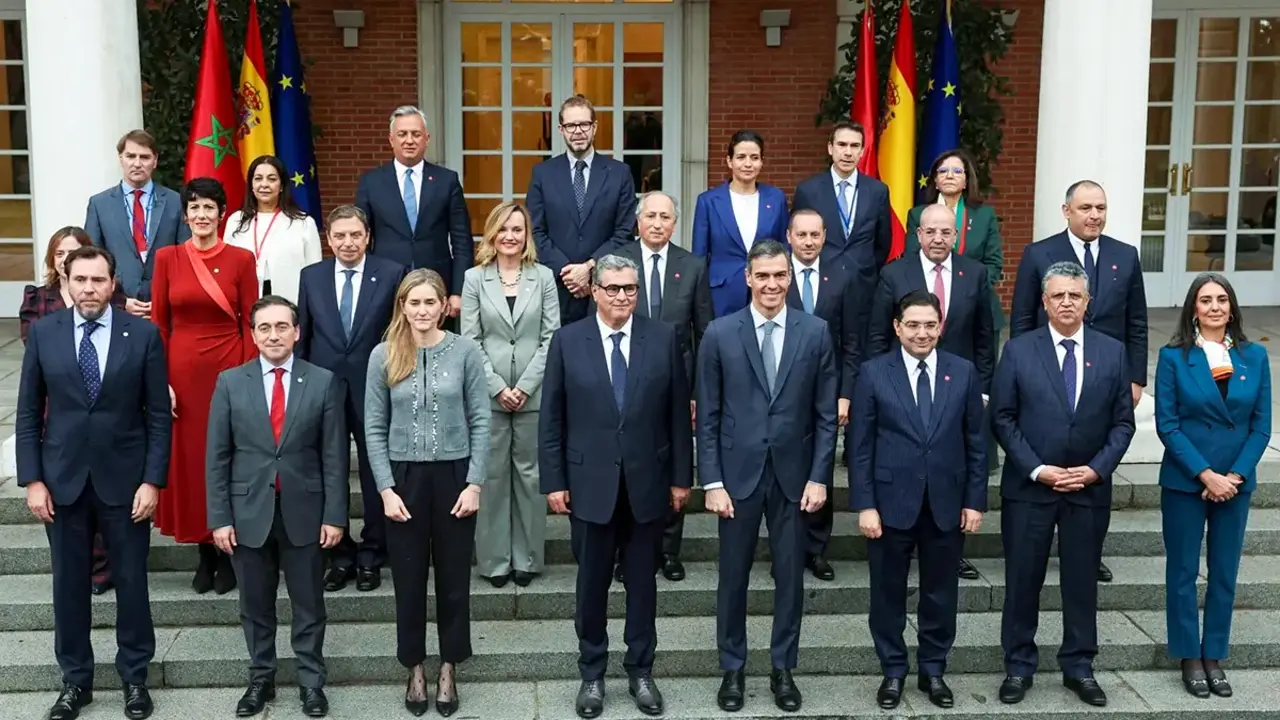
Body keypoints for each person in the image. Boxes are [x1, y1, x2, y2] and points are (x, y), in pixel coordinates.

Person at [16, 245, 171, 720]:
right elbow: (26, 415)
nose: (89, 289)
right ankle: (75, 682)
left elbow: (159, 418)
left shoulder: (141, 335)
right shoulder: (45, 334)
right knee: (68, 586)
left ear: (112, 283)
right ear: (66, 281)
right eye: (80, 280)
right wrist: (32, 481)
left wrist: (152, 481)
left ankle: (135, 679)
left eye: (98, 280)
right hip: (61, 482)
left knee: (131, 582)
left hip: (125, 482)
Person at [539, 254, 693, 719]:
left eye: (630, 289)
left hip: (648, 484)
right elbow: (552, 418)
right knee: (591, 587)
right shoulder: (568, 341)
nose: (622, 296)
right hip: (589, 485)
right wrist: (554, 480)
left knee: (643, 586)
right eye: (612, 289)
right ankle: (592, 673)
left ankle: (641, 671)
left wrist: (682, 479)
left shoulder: (663, 337)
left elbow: (675, 417)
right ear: (596, 291)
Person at [697, 240, 837, 713]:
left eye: (781, 276)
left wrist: (820, 477)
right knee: (732, 578)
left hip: (795, 478)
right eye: (764, 276)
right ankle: (732, 670)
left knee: (790, 581)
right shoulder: (719, 333)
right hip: (737, 477)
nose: (773, 284)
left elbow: (824, 416)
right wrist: (711, 482)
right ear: (749, 279)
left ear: (790, 278)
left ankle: (783, 669)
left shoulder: (815, 332)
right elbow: (709, 416)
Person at [991, 261, 1135, 708]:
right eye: (1058, 296)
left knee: (1080, 582)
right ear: (1044, 301)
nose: (1067, 302)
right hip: (1030, 489)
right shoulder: (1018, 350)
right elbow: (1002, 416)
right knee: (1022, 581)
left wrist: (1095, 470)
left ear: (1088, 302)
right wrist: (1037, 468)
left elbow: (1122, 424)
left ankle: (1079, 666)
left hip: (1087, 489)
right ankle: (1018, 665)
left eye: (1075, 295)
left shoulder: (1112, 352)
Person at [206, 295, 349, 718]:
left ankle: (310, 682)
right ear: (252, 335)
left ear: (297, 331)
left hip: (305, 512)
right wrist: (219, 518)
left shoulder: (322, 381)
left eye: (282, 326)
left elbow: (334, 455)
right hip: (248, 512)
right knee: (255, 604)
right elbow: (217, 456)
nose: (274, 335)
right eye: (264, 328)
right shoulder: (231, 382)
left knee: (308, 604)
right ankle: (260, 679)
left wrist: (335, 515)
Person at [850, 290, 987, 711]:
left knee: (940, 595)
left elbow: (977, 444)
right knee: (887, 594)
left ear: (941, 326)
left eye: (930, 324)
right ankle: (893, 670)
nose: (922, 332)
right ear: (897, 327)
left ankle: (933, 670)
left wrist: (975, 501)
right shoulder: (874, 373)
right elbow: (860, 446)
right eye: (913, 324)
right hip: (890, 505)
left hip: (946, 504)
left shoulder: (962, 373)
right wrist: (866, 505)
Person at [1009, 180, 1148, 584]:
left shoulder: (1125, 254)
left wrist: (1135, 377)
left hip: (1105, 377)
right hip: (1048, 375)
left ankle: (1091, 552)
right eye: (1086, 207)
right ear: (1066, 210)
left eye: (1101, 208)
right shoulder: (1039, 253)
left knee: (1095, 461)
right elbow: (1021, 319)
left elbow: (1136, 321)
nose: (1095, 216)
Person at [365, 270, 490, 717]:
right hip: (403, 479)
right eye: (413, 303)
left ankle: (449, 666)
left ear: (443, 306)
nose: (421, 310)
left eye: (429, 303)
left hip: (454, 475)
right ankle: (414, 666)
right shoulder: (384, 354)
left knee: (454, 581)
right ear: (403, 306)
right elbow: (373, 428)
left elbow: (481, 420)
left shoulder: (466, 352)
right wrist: (384, 489)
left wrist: (474, 483)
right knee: (409, 580)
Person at [1155, 273, 1270, 699]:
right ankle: (1188, 655)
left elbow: (1261, 427)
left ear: (1233, 307)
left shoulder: (1254, 357)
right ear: (1193, 309)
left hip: (1235, 483)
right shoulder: (1173, 358)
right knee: (1183, 571)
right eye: (1206, 300)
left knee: (1224, 572)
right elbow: (1167, 423)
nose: (1215, 307)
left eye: (1223, 299)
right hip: (1188, 481)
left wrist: (1233, 477)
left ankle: (1214, 655)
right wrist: (1206, 474)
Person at [869, 203, 995, 580]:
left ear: (956, 236)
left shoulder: (974, 274)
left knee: (951, 466)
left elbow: (986, 337)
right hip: (903, 392)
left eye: (946, 232)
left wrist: (984, 390)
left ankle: (948, 550)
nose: (938, 238)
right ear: (918, 235)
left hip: (959, 393)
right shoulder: (894, 273)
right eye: (931, 232)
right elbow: (878, 335)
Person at [151, 177, 260, 595]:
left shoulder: (241, 258)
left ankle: (230, 551)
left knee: (231, 456)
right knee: (194, 460)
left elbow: (252, 321)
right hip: (181, 374)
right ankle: (203, 551)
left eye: (209, 208)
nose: (201, 215)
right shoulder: (167, 258)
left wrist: (248, 374)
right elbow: (159, 324)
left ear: (222, 214)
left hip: (229, 367)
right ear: (185, 215)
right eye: (194, 208)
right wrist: (160, 381)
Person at [597, 191, 711, 583]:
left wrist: (697, 392)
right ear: (638, 221)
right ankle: (623, 553)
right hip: (622, 381)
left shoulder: (693, 266)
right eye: (651, 215)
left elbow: (704, 332)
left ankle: (668, 551)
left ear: (674, 223)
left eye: (665, 216)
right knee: (626, 466)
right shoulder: (617, 263)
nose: (658, 222)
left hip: (675, 385)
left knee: (672, 463)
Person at [297, 205, 407, 593]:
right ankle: (339, 552)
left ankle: (373, 554)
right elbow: (304, 337)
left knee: (379, 472)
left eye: (355, 235)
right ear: (329, 239)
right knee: (331, 470)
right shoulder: (311, 277)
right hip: (323, 392)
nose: (348, 242)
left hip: (376, 389)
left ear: (367, 237)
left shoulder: (392, 273)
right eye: (340, 236)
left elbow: (400, 335)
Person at [19, 227, 129, 596]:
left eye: (76, 251)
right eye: (62, 254)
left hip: (110, 422)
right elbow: (28, 409)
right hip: (60, 405)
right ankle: (79, 567)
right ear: (57, 263)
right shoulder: (41, 306)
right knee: (71, 487)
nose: (69, 259)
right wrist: (31, 478)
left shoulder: (112, 307)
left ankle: (104, 564)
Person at [461, 202, 559, 587]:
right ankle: (495, 561)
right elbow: (471, 339)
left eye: (518, 229)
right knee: (492, 476)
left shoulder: (544, 277)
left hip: (533, 395)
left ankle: (528, 560)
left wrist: (525, 386)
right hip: (490, 396)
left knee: (531, 478)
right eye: (503, 229)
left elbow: (552, 337)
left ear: (527, 235)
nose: (510, 236)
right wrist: (499, 387)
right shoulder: (474, 279)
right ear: (491, 234)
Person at [783, 209, 862, 581]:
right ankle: (785, 548)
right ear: (789, 236)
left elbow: (852, 342)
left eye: (816, 235)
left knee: (821, 467)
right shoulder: (774, 276)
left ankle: (816, 549)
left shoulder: (843, 277)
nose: (809, 242)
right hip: (782, 388)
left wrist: (846, 394)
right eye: (802, 235)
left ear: (825, 236)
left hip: (827, 390)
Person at [527, 94, 638, 324]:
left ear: (594, 127)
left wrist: (589, 268)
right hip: (556, 288)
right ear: (561, 129)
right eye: (570, 125)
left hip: (605, 289)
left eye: (584, 124)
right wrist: (568, 272)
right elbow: (535, 231)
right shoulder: (543, 174)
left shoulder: (619, 174)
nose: (578, 131)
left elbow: (625, 231)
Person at [355, 106, 472, 322]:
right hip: (384, 288)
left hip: (436, 290)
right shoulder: (371, 183)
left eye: (416, 134)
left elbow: (462, 240)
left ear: (427, 139)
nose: (409, 140)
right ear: (391, 140)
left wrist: (458, 291)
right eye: (402, 134)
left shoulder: (447, 181)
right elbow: (361, 238)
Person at [84, 129, 190, 317]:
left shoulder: (175, 202)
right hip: (117, 306)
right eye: (130, 156)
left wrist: (166, 297)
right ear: (121, 159)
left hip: (167, 306)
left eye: (145, 157)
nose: (137, 163)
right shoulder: (99, 204)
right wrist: (119, 300)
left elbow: (185, 256)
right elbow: (93, 259)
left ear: (155, 161)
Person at [904, 149, 1005, 346]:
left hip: (977, 308)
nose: (950, 175)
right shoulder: (918, 215)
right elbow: (912, 261)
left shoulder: (984, 216)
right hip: (927, 309)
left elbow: (993, 264)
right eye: (943, 171)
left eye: (957, 171)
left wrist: (969, 290)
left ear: (967, 180)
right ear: (935, 179)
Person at [691, 130, 790, 317]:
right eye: (741, 157)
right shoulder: (709, 201)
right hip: (722, 292)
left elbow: (784, 248)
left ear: (761, 162)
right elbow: (699, 256)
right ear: (729, 161)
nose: (748, 164)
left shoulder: (776, 199)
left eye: (754, 157)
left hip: (767, 290)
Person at [793, 121, 892, 293]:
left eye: (854, 146)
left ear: (862, 151)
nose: (848, 152)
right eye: (842, 145)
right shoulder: (808, 190)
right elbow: (797, 239)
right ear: (830, 148)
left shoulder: (878, 191)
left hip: (863, 284)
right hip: (822, 284)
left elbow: (882, 242)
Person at [224, 155, 323, 303]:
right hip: (245, 305)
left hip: (291, 306)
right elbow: (227, 268)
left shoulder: (303, 223)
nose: (264, 184)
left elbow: (315, 275)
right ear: (251, 184)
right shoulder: (236, 221)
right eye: (258, 178)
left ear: (282, 185)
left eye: (271, 179)